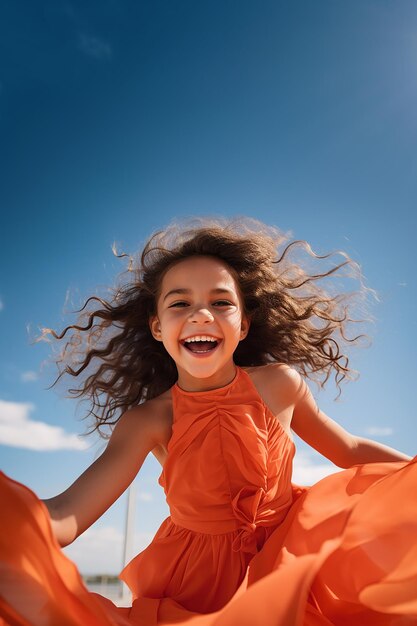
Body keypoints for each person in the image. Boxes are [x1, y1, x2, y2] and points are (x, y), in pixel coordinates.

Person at [1, 217, 416, 626]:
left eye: (221, 302)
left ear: (243, 323)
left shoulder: (280, 385)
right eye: (180, 303)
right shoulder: (148, 420)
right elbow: (68, 515)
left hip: (288, 556)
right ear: (158, 328)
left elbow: (349, 449)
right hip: (195, 586)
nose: (201, 314)